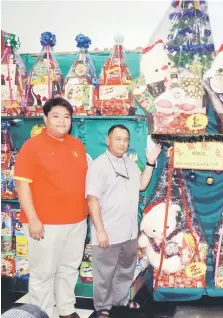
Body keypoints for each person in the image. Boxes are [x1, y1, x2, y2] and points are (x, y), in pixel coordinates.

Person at [14, 97, 88, 318]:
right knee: (43, 273)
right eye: (56, 116)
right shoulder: (32, 146)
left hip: (76, 221)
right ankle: (42, 313)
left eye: (67, 117)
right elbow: (22, 185)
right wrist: (33, 219)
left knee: (68, 269)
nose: (62, 121)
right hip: (45, 223)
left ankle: (65, 309)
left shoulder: (77, 145)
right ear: (45, 118)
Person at [86, 124, 161, 318]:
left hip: (128, 230)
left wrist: (151, 163)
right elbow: (92, 199)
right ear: (108, 140)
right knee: (104, 272)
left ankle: (120, 299)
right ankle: (102, 306)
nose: (122, 143)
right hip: (107, 231)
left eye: (125, 139)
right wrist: (100, 230)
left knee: (126, 269)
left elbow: (142, 185)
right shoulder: (98, 165)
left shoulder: (129, 163)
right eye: (118, 139)